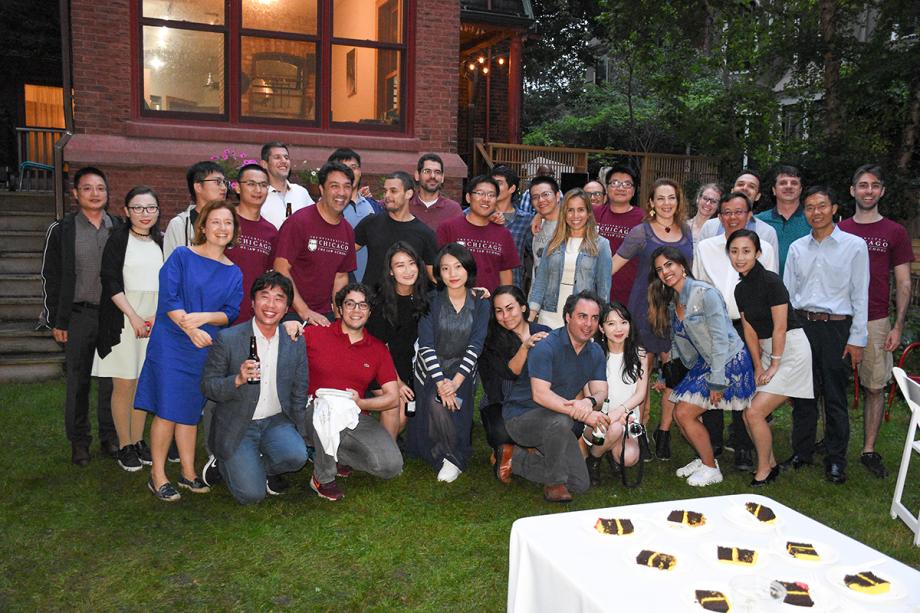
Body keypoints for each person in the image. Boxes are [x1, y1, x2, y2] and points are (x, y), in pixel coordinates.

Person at [136, 200, 243, 501]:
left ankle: (188, 472)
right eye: (216, 222)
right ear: (204, 226)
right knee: (168, 409)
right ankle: (157, 475)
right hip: (172, 342)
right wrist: (190, 328)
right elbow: (169, 298)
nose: (222, 228)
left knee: (189, 410)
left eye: (228, 223)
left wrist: (205, 319)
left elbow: (231, 312)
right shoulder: (182, 256)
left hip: (204, 346)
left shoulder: (234, 272)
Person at [647, 246, 755, 487]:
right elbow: (679, 345)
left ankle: (710, 468)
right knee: (678, 412)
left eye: (669, 265)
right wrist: (668, 377)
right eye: (659, 269)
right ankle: (706, 459)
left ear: (682, 266)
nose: (665, 272)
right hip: (706, 362)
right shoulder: (674, 301)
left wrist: (717, 380)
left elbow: (720, 339)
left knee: (685, 413)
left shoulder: (705, 294)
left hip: (728, 361)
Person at [782, 186, 869, 484]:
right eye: (809, 207)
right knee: (803, 393)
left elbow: (861, 294)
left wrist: (857, 338)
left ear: (833, 208)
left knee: (834, 396)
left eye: (821, 206)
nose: (815, 212)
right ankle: (802, 452)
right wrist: (788, 334)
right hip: (803, 326)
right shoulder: (796, 248)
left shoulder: (854, 246)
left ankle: (835, 459)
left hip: (836, 327)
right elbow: (788, 295)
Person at [201, 272, 308, 505]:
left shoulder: (293, 340)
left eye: (279, 298)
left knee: (298, 456)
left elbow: (300, 390)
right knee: (251, 495)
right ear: (252, 302)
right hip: (238, 423)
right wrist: (237, 380)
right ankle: (222, 460)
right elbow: (208, 387)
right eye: (264, 296)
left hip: (275, 421)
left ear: (287, 306)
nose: (271, 305)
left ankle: (258, 464)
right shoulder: (228, 339)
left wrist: (300, 431)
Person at [496, 290, 610, 502]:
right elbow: (540, 395)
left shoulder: (595, 352)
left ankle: (514, 458)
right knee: (563, 419)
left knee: (580, 484)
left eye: (594, 318)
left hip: (557, 421)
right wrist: (585, 415)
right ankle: (555, 483)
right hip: (521, 417)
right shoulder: (546, 346)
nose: (588, 324)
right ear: (568, 317)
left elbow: (601, 390)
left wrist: (590, 401)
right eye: (582, 316)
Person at [839, 164, 914, 478]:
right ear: (852, 191)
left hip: (876, 319)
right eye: (862, 185)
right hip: (839, 318)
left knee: (874, 386)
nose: (868, 191)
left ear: (881, 191)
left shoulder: (894, 232)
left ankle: (869, 449)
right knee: (830, 384)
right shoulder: (839, 229)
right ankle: (830, 440)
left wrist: (897, 326)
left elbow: (904, 282)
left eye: (874, 185)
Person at [41, 166, 120, 466]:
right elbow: (50, 276)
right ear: (75, 193)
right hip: (78, 316)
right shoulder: (62, 230)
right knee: (78, 382)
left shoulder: (119, 226)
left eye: (100, 188)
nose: (95, 193)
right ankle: (79, 441)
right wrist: (56, 320)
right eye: (87, 188)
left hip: (113, 316)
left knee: (112, 381)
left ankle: (110, 437)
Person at [692, 191, 777, 470]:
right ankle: (713, 440)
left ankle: (743, 446)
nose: (732, 218)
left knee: (744, 386)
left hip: (748, 326)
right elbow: (698, 286)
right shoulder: (706, 247)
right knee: (713, 381)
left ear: (749, 215)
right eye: (726, 212)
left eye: (739, 212)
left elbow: (771, 288)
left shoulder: (763, 247)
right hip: (714, 327)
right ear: (719, 216)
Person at [611, 178, 694, 460]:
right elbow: (611, 265)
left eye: (672, 197)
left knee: (673, 372)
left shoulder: (686, 231)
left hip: (675, 310)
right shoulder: (641, 232)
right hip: (643, 309)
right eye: (660, 198)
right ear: (651, 203)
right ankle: (640, 430)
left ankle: (664, 431)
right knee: (642, 374)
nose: (666, 203)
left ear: (678, 201)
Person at [303, 283, 404, 501]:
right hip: (314, 410)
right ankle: (323, 477)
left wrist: (362, 404)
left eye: (363, 305)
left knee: (391, 466)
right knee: (325, 408)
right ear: (339, 308)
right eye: (350, 304)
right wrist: (290, 325)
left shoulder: (377, 349)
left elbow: (392, 397)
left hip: (353, 412)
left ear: (369, 311)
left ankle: (335, 454)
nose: (356, 310)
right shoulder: (314, 334)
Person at [729, 230, 813, 487]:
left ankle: (764, 469)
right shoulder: (740, 289)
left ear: (758, 253)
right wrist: (758, 365)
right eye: (734, 252)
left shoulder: (771, 281)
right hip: (767, 352)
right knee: (748, 413)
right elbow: (750, 331)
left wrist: (775, 363)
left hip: (791, 350)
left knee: (755, 412)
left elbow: (780, 326)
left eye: (746, 251)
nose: (740, 257)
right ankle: (771, 463)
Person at [94, 186, 164, 472]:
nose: (144, 214)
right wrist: (134, 317)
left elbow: (167, 284)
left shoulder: (160, 242)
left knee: (142, 382)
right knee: (124, 384)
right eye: (137, 208)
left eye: (150, 208)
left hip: (154, 320)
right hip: (123, 319)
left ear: (158, 211)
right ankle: (124, 445)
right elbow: (110, 280)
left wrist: (157, 317)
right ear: (126, 211)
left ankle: (138, 441)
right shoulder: (118, 240)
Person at [410, 243, 490, 482]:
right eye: (445, 268)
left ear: (468, 269)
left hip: (462, 371)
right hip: (430, 368)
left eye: (458, 267)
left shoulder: (481, 302)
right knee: (436, 403)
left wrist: (454, 382)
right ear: (438, 273)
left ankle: (452, 456)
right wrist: (440, 382)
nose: (453, 274)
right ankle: (445, 453)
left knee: (451, 403)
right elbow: (426, 346)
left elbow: (476, 345)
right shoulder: (430, 301)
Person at [274, 161, 357, 326]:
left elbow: (340, 277)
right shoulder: (299, 222)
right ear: (321, 189)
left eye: (347, 186)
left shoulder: (347, 230)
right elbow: (281, 268)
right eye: (334, 186)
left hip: (324, 314)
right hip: (290, 314)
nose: (341, 192)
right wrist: (304, 311)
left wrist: (340, 318)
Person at [366, 242, 431, 440]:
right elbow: (378, 350)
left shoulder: (423, 298)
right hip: (378, 365)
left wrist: (476, 291)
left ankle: (378, 438)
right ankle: (385, 455)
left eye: (411, 263)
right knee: (398, 412)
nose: (408, 270)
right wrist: (398, 382)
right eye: (400, 265)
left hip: (405, 365)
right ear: (391, 272)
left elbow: (454, 291)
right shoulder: (380, 302)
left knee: (405, 417)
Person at [479, 286, 550, 453]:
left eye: (510, 308)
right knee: (501, 433)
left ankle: (521, 450)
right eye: (499, 311)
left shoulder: (544, 333)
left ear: (523, 307)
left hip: (538, 401)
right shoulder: (491, 341)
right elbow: (510, 373)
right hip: (501, 401)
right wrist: (525, 347)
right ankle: (514, 449)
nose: (505, 316)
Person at [584, 302, 649, 484]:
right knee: (613, 428)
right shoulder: (593, 354)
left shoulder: (640, 354)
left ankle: (610, 451)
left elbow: (640, 395)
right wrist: (608, 417)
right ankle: (594, 459)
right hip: (598, 421)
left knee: (629, 458)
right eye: (611, 324)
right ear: (602, 329)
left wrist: (620, 413)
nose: (618, 329)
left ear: (630, 325)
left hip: (627, 419)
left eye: (623, 322)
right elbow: (589, 394)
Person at [528, 188, 612, 329]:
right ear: (564, 213)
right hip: (549, 315)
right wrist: (530, 317)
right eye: (570, 210)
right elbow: (540, 281)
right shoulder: (553, 242)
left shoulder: (601, 245)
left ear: (588, 213)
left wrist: (600, 320)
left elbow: (603, 289)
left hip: (582, 318)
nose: (575, 215)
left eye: (580, 210)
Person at [354, 171, 437, 292]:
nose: (387, 195)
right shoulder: (370, 223)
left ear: (408, 193)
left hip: (408, 306)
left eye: (393, 191)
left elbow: (434, 276)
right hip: (371, 302)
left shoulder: (425, 233)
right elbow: (344, 254)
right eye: (385, 191)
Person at [436, 175, 520, 292]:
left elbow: (505, 274)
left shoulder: (503, 234)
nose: (486, 199)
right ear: (468, 197)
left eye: (491, 195)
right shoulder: (448, 228)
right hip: (454, 303)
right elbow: (436, 268)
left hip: (489, 304)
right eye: (480, 193)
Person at [226, 163, 278, 324]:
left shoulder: (271, 231)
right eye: (251, 184)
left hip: (251, 317)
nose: (258, 190)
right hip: (216, 312)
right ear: (237, 188)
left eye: (263, 185)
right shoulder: (223, 221)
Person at [593, 164, 645, 305]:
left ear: (633, 191)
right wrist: (539, 216)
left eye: (627, 184)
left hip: (630, 295)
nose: (621, 188)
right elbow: (564, 211)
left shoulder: (644, 219)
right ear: (607, 188)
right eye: (615, 183)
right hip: (595, 291)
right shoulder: (594, 214)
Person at [329, 148, 380, 282]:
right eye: (344, 167)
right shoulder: (326, 208)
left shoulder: (373, 206)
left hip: (370, 285)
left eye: (354, 167)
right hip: (336, 282)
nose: (350, 172)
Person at [697, 173, 779, 256]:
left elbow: (770, 267)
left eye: (751, 186)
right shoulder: (710, 227)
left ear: (758, 196)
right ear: (732, 191)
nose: (745, 188)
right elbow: (700, 261)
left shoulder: (767, 232)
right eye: (740, 184)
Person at [163, 161, 227, 257]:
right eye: (217, 182)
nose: (224, 188)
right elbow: (170, 267)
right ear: (198, 187)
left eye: (224, 182)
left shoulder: (228, 222)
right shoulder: (179, 224)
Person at [755, 165, 811, 275]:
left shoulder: (813, 221)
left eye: (794, 183)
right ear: (774, 190)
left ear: (800, 190)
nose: (788, 186)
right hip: (766, 288)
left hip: (803, 288)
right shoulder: (758, 222)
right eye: (783, 183)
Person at [490, 166, 534, 289]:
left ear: (512, 188)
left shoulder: (526, 220)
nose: (493, 187)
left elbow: (536, 252)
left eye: (498, 183)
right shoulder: (476, 216)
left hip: (513, 289)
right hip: (481, 289)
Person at [259, 141, 313, 230]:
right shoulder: (259, 194)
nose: (284, 161)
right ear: (264, 164)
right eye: (277, 157)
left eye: (286, 157)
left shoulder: (301, 192)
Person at [409, 153, 462, 231]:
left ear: (442, 177)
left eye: (437, 172)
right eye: (427, 171)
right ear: (417, 175)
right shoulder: (405, 205)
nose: (433, 176)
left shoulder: (453, 210)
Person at [528, 175, 562, 274]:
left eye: (546, 194)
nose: (541, 200)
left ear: (557, 195)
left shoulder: (570, 226)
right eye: (535, 197)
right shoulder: (536, 226)